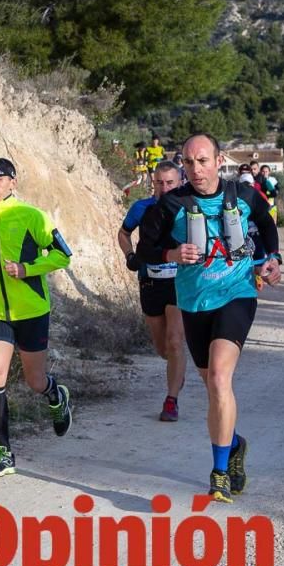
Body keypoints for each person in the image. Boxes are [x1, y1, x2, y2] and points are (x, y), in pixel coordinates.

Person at [136, 134, 282, 503]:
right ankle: (234, 444)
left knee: (219, 377)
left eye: (202, 161)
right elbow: (142, 251)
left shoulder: (244, 195)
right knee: (212, 388)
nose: (195, 169)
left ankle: (218, 473)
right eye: (188, 162)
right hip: (194, 303)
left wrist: (273, 258)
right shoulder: (171, 205)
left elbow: (266, 225)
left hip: (237, 294)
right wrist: (171, 253)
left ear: (220, 161)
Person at [0, 158, 74, 477]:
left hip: (32, 310)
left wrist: (28, 269)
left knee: (34, 381)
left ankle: (56, 393)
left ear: (13, 182)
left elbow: (63, 255)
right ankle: (4, 451)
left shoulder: (32, 216)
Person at [118, 162, 187, 421]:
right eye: (159, 182)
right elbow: (123, 233)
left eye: (170, 183)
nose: (164, 187)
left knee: (175, 341)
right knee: (162, 348)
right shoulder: (141, 207)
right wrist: (130, 256)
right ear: (153, 183)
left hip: (179, 283)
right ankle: (177, 370)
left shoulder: (188, 208)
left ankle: (171, 401)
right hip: (150, 282)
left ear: (180, 182)